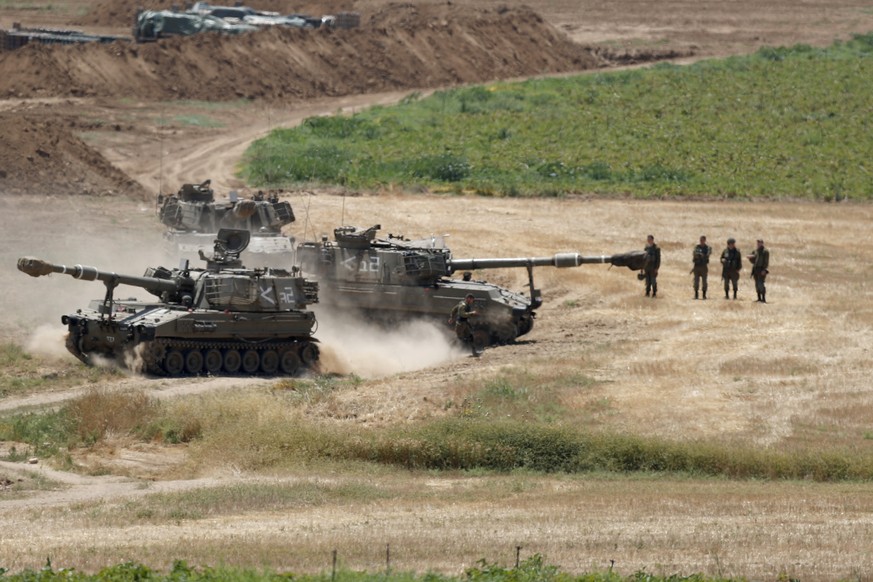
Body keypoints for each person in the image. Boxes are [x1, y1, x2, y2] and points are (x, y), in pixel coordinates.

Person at [691, 235, 711, 299]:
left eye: (702, 240)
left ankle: (704, 295)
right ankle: (696, 294)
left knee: (704, 282)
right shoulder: (697, 247)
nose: (701, 241)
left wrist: (702, 255)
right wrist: (699, 255)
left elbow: (707, 255)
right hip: (696, 266)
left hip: (703, 266)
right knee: (696, 281)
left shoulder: (707, 248)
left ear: (705, 240)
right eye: (700, 240)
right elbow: (694, 254)